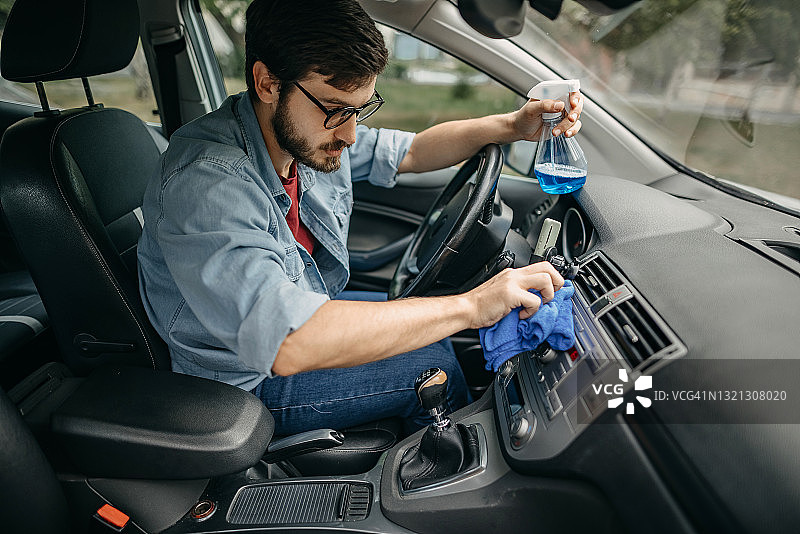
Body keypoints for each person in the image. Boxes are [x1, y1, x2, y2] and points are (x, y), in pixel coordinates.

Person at [137, 0, 582, 436]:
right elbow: (289, 341)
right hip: (243, 382)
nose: (350, 134)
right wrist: (472, 306)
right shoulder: (208, 183)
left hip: (302, 320)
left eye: (360, 110)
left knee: (431, 331)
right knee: (435, 363)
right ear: (267, 82)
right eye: (336, 110)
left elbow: (412, 150)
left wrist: (512, 126)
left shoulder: (300, 135)